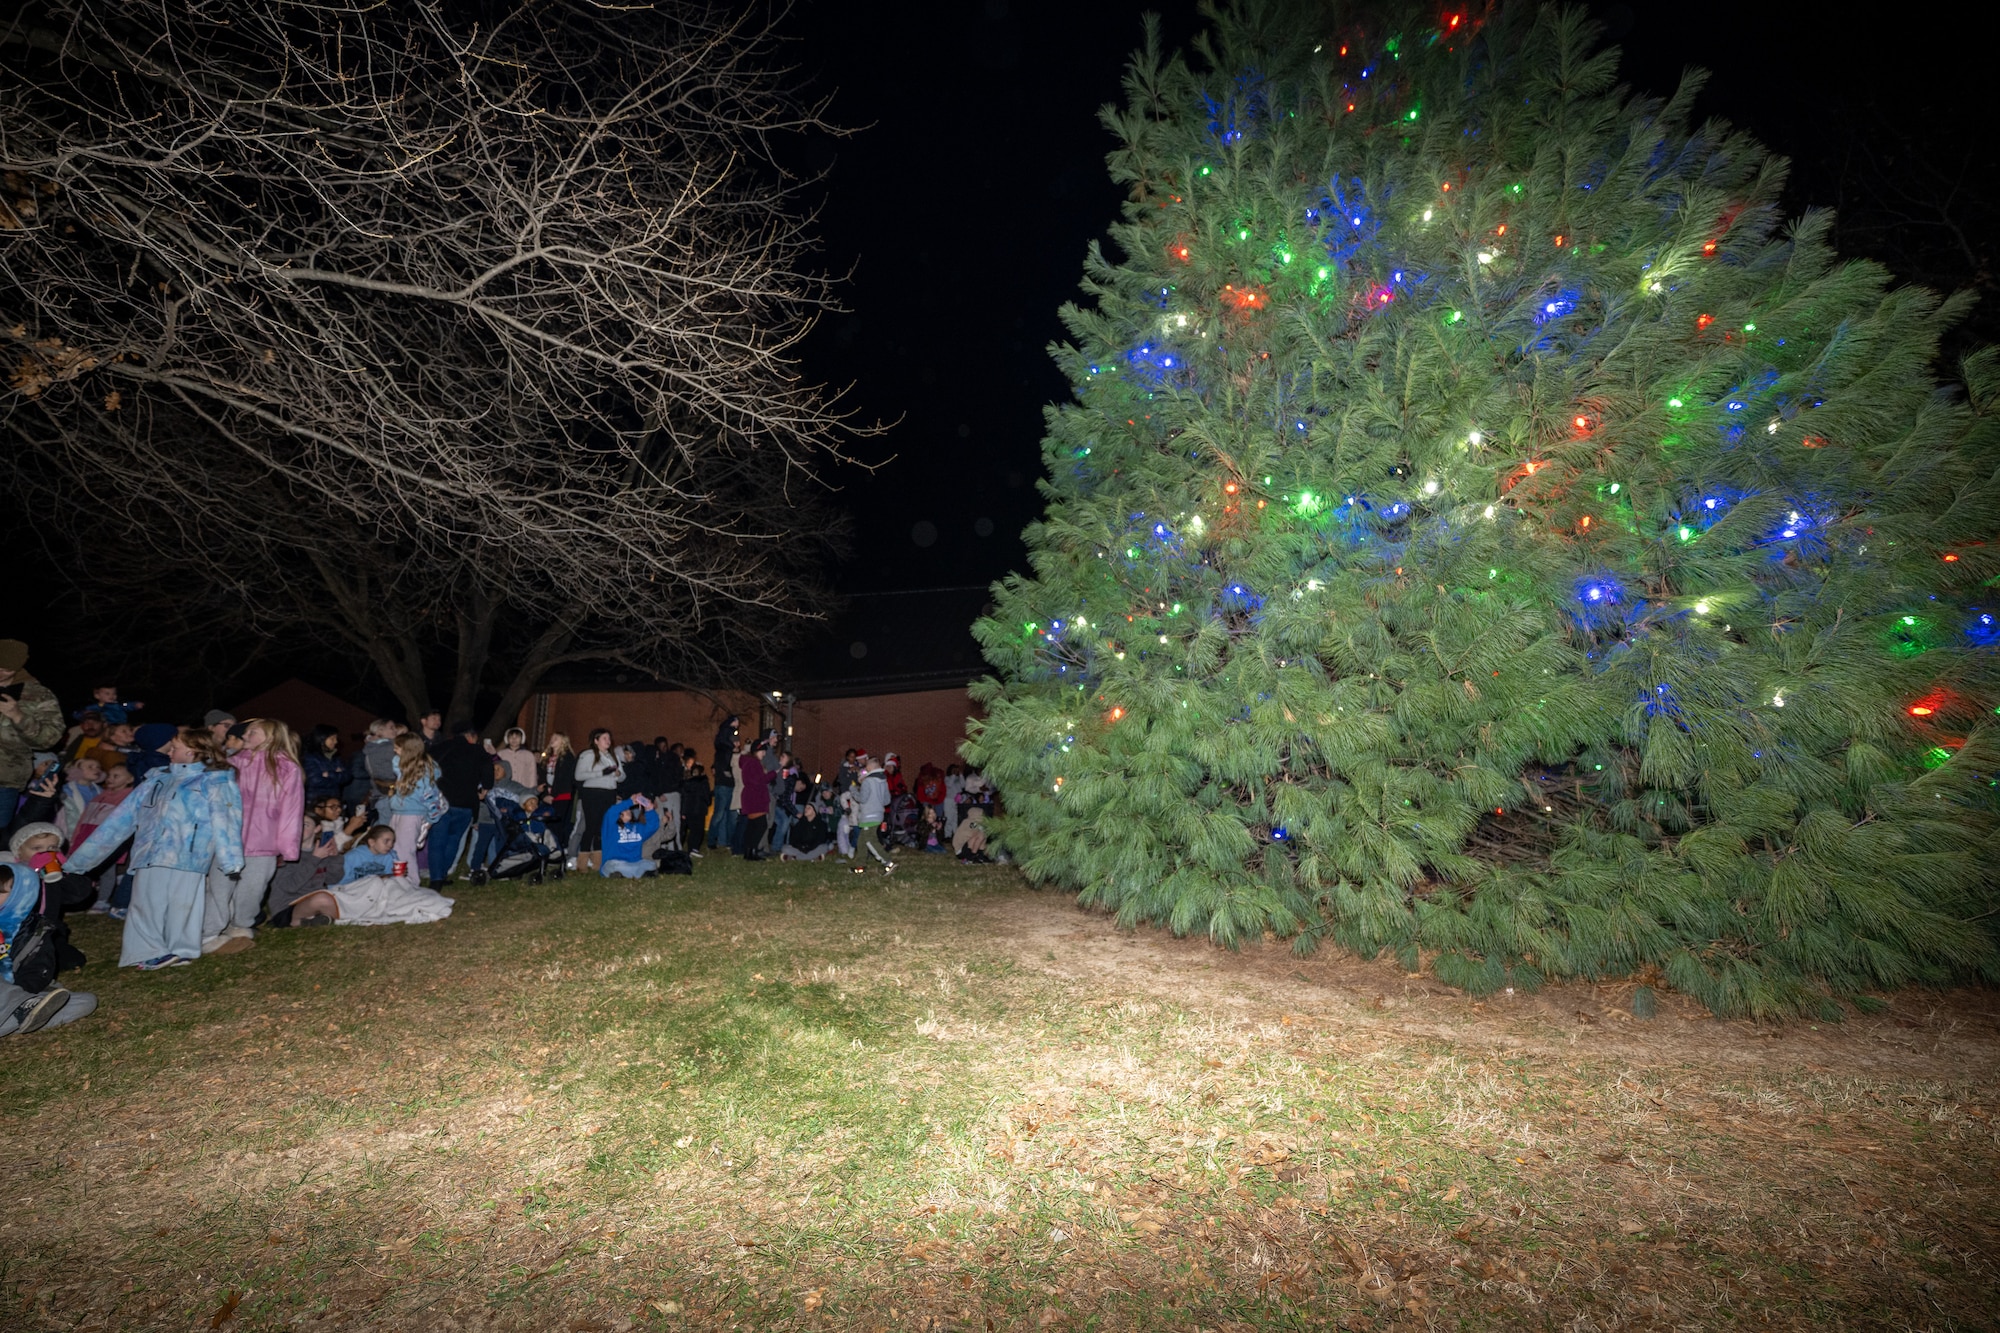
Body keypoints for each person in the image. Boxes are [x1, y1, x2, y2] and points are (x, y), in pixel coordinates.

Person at [66, 727, 244, 969]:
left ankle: (181, 949)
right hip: (151, 853)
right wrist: (81, 861)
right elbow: (119, 820)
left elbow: (227, 821)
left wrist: (230, 859)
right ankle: (146, 952)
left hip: (190, 855)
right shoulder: (156, 779)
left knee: (185, 905)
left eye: (175, 747)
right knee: (146, 904)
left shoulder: (215, 781)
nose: (169, 751)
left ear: (192, 751)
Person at [204, 717, 304, 956]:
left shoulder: (286, 768)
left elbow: (292, 811)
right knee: (219, 888)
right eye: (246, 732)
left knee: (253, 889)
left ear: (270, 737)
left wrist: (287, 847)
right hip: (227, 840)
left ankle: (240, 926)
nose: (245, 736)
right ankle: (208, 934)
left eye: (253, 732)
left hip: (264, 842)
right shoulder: (230, 764)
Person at [0, 640, 65, 843]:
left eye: (7, 669)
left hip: (4, 781)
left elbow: (50, 738)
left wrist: (18, 716)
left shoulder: (37, 695)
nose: (0, 673)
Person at [427, 721, 491, 885]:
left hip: (442, 801)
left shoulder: (441, 748)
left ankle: (436, 878)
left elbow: (426, 766)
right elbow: (488, 771)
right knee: (453, 840)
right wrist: (485, 788)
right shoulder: (478, 751)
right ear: (471, 736)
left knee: (437, 840)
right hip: (466, 803)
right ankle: (442, 874)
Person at [382, 734, 445, 873]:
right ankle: (397, 879)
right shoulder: (404, 769)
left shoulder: (422, 774)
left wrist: (431, 816)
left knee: (404, 850)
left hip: (412, 814)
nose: (394, 751)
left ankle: (410, 883)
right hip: (399, 811)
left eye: (397, 748)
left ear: (408, 750)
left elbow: (430, 797)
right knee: (393, 848)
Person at [572, 729, 623, 873]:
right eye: (604, 738)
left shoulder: (613, 756)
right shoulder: (588, 755)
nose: (608, 741)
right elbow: (579, 775)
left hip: (609, 793)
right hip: (593, 793)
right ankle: (582, 863)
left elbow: (623, 776)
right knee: (591, 826)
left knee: (603, 827)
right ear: (596, 740)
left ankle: (597, 863)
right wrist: (602, 772)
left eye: (609, 738)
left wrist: (618, 774)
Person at [599, 794, 660, 878]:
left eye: (629, 810)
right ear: (619, 815)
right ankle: (638, 873)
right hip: (615, 862)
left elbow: (653, 826)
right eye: (625, 810)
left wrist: (650, 810)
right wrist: (630, 801)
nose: (628, 810)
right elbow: (611, 812)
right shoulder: (611, 827)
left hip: (634, 862)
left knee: (650, 864)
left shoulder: (637, 827)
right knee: (611, 866)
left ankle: (626, 874)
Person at [346, 718, 401, 806]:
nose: (395, 730)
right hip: (392, 791)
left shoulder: (373, 747)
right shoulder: (388, 748)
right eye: (391, 727)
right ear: (380, 730)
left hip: (380, 791)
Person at [854, 756, 892, 869]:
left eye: (866, 767)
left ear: (869, 767)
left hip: (868, 815)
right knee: (862, 841)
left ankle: (888, 862)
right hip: (878, 815)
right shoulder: (883, 781)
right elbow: (887, 800)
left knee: (870, 840)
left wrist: (853, 791)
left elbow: (862, 799)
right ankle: (860, 866)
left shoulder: (868, 781)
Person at [736, 740, 772, 861]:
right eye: (763, 751)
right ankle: (752, 851)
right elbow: (759, 780)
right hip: (756, 798)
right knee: (760, 825)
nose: (764, 754)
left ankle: (749, 852)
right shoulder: (754, 763)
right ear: (757, 751)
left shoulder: (748, 762)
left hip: (751, 797)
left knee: (753, 826)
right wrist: (772, 774)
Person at [56, 756, 105, 843]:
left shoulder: (101, 792)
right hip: (71, 833)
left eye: (98, 767)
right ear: (76, 770)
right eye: (90, 767)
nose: (96, 770)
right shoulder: (66, 791)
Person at [542, 732, 578, 849]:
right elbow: (542, 776)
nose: (552, 740)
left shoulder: (567, 758)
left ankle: (557, 849)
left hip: (561, 796)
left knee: (557, 824)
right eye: (551, 738)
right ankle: (548, 848)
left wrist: (553, 794)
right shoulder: (547, 757)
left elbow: (565, 779)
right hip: (548, 796)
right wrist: (544, 794)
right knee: (547, 823)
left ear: (563, 742)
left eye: (556, 738)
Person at [301, 725, 348, 805]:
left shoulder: (335, 756)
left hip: (333, 801)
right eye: (332, 739)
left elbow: (347, 776)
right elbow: (314, 781)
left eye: (336, 738)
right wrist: (337, 774)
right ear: (321, 739)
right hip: (316, 803)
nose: (336, 742)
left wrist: (329, 774)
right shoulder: (310, 757)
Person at [680, 761, 710, 857]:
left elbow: (684, 797)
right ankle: (694, 848)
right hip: (699, 809)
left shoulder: (686, 783)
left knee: (692, 830)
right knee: (698, 830)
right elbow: (706, 796)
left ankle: (690, 849)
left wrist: (683, 811)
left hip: (688, 810)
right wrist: (708, 802)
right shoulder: (703, 782)